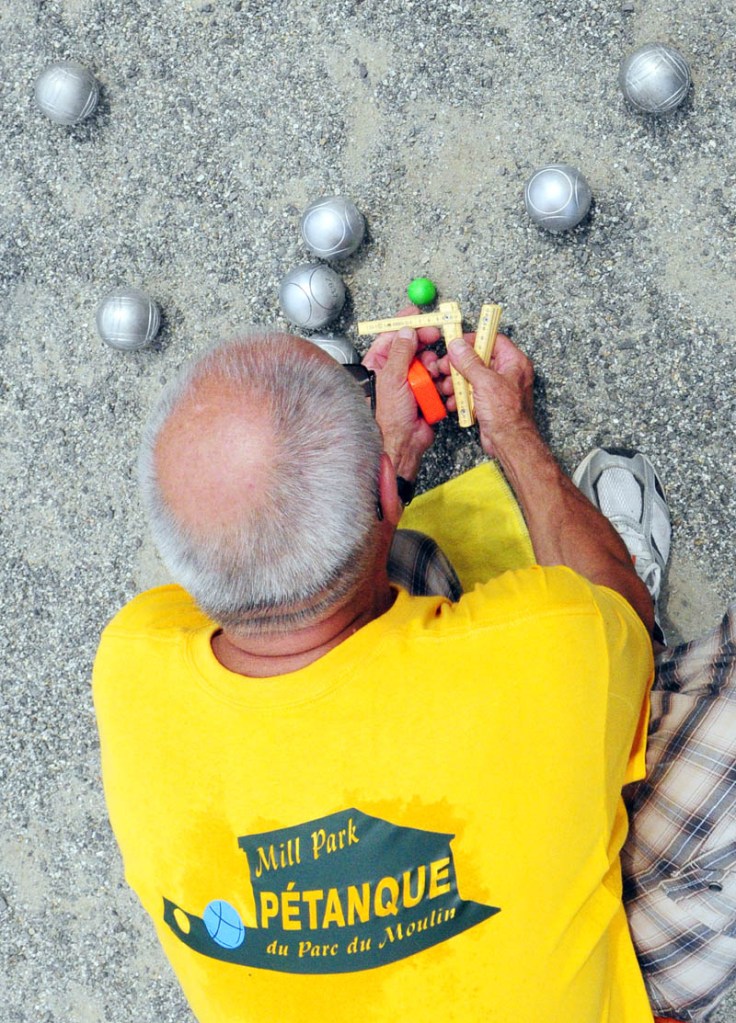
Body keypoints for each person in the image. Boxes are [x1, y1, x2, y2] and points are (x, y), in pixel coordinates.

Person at [94, 315, 668, 1022]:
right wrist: (513, 434)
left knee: (396, 566)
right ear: (384, 495)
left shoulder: (133, 664)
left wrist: (384, 464)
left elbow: (285, 584)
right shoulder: (546, 649)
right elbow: (618, 600)